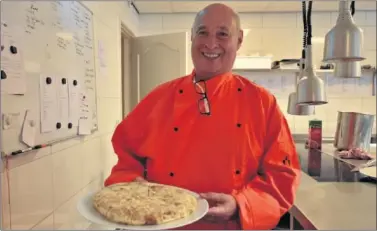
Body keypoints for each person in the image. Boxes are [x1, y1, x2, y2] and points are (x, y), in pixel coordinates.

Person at [104, 3, 301, 230]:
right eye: (202, 32)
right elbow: (126, 160)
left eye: (222, 34)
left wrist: (241, 204)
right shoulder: (158, 99)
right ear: (192, 38)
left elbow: (282, 178)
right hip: (163, 224)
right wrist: (133, 187)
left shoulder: (263, 104)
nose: (211, 43)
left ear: (238, 40)